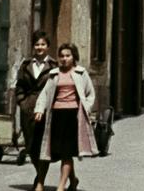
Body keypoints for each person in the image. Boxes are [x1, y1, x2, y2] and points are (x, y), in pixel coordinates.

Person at [34, 44, 98, 191]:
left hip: (73, 116)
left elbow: (90, 94)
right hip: (56, 116)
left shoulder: (81, 73)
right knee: (49, 150)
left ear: (74, 57)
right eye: (61, 56)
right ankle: (43, 183)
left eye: (67, 56)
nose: (64, 59)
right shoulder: (54, 74)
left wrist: (86, 108)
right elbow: (44, 94)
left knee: (67, 151)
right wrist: (39, 110)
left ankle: (61, 186)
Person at [14, 32, 57, 190]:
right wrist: (22, 102)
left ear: (48, 46)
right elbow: (19, 86)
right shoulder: (26, 65)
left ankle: (40, 180)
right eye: (37, 44)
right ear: (33, 46)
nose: (40, 48)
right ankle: (39, 174)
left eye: (43, 44)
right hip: (29, 108)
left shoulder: (53, 66)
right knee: (31, 145)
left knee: (43, 145)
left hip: (46, 109)